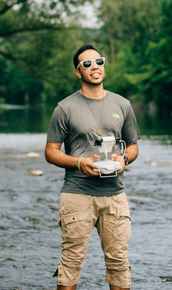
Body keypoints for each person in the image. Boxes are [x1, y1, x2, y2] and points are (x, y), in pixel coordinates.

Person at [45, 44, 140, 290]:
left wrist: (123, 160)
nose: (94, 67)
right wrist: (79, 162)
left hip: (114, 196)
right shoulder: (64, 108)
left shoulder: (123, 105)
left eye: (98, 61)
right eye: (86, 64)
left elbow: (133, 147)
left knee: (119, 263)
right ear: (78, 72)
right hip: (77, 194)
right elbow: (50, 152)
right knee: (71, 263)